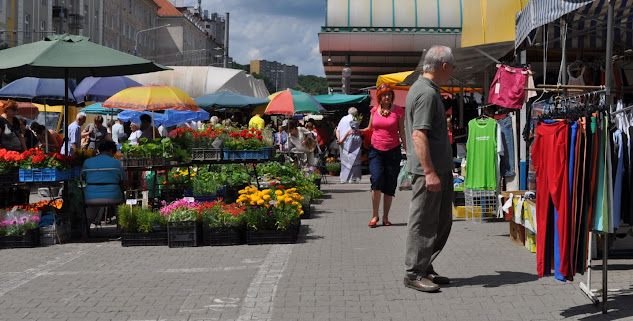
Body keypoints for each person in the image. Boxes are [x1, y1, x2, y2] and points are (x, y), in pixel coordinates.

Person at [403, 45, 456, 293]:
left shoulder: (427, 90)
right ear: (444, 66)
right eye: (452, 66)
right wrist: (429, 172)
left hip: (438, 169)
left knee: (441, 222)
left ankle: (424, 266)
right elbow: (418, 135)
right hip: (430, 172)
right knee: (424, 221)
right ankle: (414, 273)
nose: (453, 71)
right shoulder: (425, 93)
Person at [360, 85, 406, 228]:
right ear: (379, 96)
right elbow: (370, 129)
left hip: (393, 150)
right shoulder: (374, 110)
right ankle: (375, 215)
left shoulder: (398, 111)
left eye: (389, 94)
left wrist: (407, 149)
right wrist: (357, 131)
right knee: (377, 178)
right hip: (376, 150)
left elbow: (402, 131)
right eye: (384, 95)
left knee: (390, 183)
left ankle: (386, 216)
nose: (387, 97)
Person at [82, 140, 126, 228]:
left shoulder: (87, 162)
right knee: (121, 203)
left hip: (90, 197)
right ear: (111, 151)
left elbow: (83, 177)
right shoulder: (117, 163)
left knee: (90, 205)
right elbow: (123, 180)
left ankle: (86, 228)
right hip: (113, 196)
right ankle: (119, 228)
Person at [339, 113, 363, 184]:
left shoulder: (343, 119)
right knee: (354, 160)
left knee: (347, 160)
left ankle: (346, 178)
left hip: (347, 145)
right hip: (352, 145)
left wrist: (340, 140)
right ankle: (352, 177)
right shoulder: (356, 130)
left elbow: (340, 132)